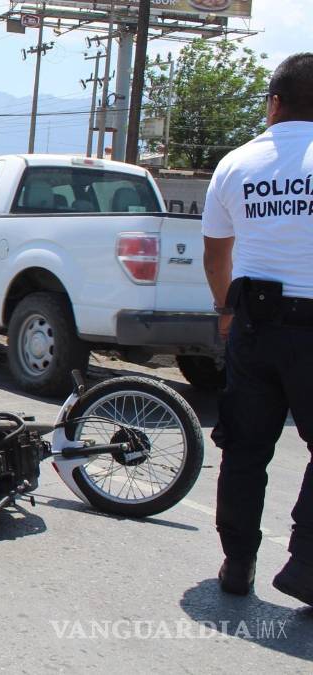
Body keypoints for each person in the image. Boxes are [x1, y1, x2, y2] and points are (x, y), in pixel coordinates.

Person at [203, 53, 313, 606]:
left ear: (274, 102)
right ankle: (307, 565)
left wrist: (227, 313)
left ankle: (237, 562)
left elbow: (216, 256)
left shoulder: (236, 163)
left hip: (253, 323)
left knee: (245, 450)